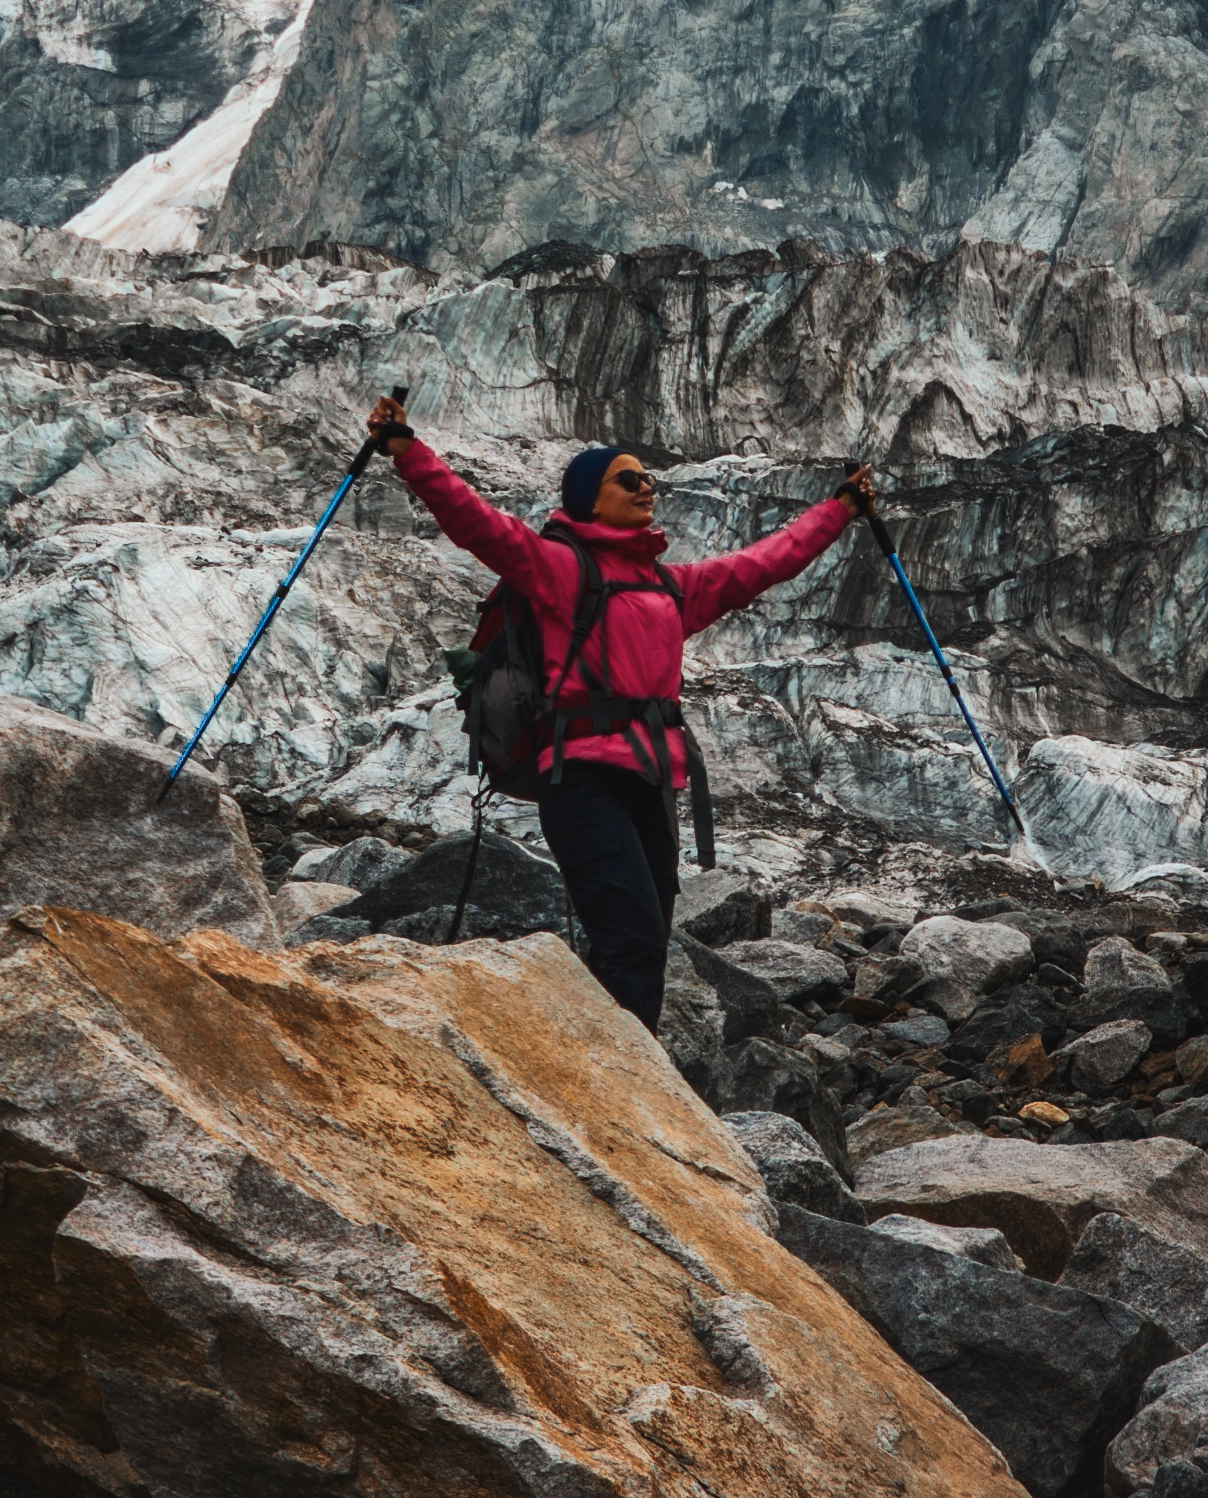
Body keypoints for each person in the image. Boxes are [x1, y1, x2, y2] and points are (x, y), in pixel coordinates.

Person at [363, 393, 870, 1035]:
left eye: (649, 479)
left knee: (647, 938)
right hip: (580, 779)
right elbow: (478, 524)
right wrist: (409, 454)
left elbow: (767, 562)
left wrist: (840, 510)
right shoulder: (559, 568)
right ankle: (624, 1089)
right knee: (629, 933)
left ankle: (618, 1068)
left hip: (650, 783)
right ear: (590, 500)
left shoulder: (669, 586)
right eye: (628, 479)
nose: (647, 487)